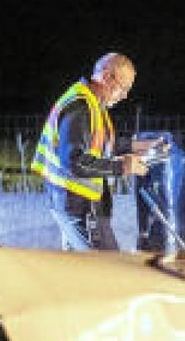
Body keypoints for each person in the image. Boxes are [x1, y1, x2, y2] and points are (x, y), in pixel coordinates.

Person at [31, 52, 156, 250]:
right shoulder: (80, 106)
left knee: (81, 272)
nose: (125, 96)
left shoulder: (93, 103)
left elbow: (101, 144)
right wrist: (122, 166)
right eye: (123, 88)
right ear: (107, 77)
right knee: (108, 270)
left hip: (75, 203)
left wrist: (137, 146)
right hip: (77, 204)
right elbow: (74, 162)